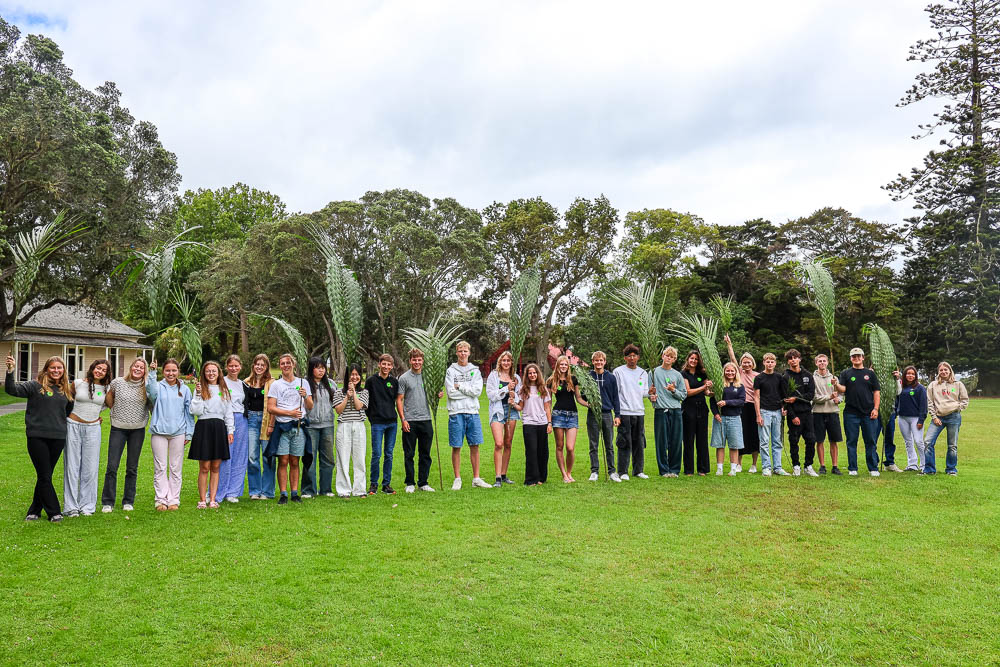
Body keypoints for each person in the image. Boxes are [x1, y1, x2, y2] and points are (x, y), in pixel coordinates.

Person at [5, 354, 71, 522]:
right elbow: (12, 390)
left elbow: (68, 412)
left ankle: (34, 510)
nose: (56, 370)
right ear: (46, 369)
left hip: (58, 438)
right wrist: (11, 371)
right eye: (53, 367)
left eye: (59, 368)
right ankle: (54, 512)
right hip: (37, 437)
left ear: (63, 370)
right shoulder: (34, 386)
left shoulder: (66, 390)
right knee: (44, 475)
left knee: (45, 475)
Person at [101, 357, 157, 513]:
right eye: (136, 366)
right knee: (112, 466)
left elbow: (152, 406)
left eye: (141, 367)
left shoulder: (147, 387)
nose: (138, 369)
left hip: (137, 430)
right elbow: (109, 396)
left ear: (145, 371)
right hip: (118, 428)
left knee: (132, 468)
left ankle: (128, 501)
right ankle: (108, 502)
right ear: (131, 367)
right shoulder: (118, 382)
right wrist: (114, 409)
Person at [64, 359, 111, 517]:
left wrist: (96, 415)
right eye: (98, 368)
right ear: (92, 368)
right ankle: (71, 507)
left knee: (90, 468)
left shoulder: (106, 388)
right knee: (72, 466)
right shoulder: (77, 383)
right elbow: (67, 401)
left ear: (106, 374)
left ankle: (87, 506)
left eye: (103, 370)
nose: (100, 371)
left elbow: (107, 404)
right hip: (73, 426)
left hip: (93, 429)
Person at [148, 358, 194, 511]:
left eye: (174, 370)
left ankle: (173, 499)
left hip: (178, 433)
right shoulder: (157, 386)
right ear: (163, 371)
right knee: (160, 467)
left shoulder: (185, 389)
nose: (171, 373)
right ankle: (161, 500)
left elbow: (189, 413)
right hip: (159, 432)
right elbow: (151, 393)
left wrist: (189, 433)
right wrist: (152, 372)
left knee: (175, 468)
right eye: (167, 370)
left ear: (178, 372)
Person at [267, 353, 313, 504]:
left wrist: (305, 396)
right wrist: (289, 413)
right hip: (283, 427)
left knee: (294, 461)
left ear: (293, 364)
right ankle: (283, 494)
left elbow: (310, 406)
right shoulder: (276, 385)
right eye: (283, 363)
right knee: (283, 460)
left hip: (298, 427)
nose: (286, 365)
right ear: (279, 366)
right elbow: (271, 408)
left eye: (288, 362)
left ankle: (294, 492)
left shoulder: (303, 382)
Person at [188, 360, 234, 508]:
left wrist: (230, 430)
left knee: (215, 466)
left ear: (218, 372)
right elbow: (195, 411)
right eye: (208, 371)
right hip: (204, 427)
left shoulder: (224, 390)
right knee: (205, 466)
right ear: (204, 373)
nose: (211, 373)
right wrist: (198, 395)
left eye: (214, 371)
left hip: (219, 428)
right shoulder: (200, 388)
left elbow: (228, 412)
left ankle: (213, 499)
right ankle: (202, 499)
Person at [445, 341, 490, 490]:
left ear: (469, 353)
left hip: (472, 412)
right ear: (456, 353)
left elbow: (477, 391)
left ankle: (476, 478)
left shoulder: (475, 371)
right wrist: (467, 391)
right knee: (456, 446)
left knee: (475, 445)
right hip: (456, 412)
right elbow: (451, 393)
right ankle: (457, 478)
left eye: (465, 351)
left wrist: (460, 386)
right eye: (460, 351)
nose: (463, 354)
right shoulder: (451, 371)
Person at [833, 347, 881, 477]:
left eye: (859, 356)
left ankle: (873, 468)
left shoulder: (870, 374)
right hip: (851, 413)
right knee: (851, 441)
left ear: (863, 357)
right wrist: (836, 385)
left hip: (869, 413)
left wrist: (876, 408)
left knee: (870, 441)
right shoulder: (846, 373)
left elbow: (876, 392)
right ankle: (852, 468)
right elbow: (843, 389)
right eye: (854, 356)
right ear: (851, 358)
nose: (856, 358)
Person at [397, 348, 438, 493]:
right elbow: (399, 399)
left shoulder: (428, 377)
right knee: (409, 454)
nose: (417, 362)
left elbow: (433, 395)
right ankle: (410, 483)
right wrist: (403, 419)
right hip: (410, 420)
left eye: (419, 360)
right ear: (410, 361)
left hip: (426, 419)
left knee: (425, 454)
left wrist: (438, 394)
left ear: (423, 361)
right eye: (414, 360)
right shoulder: (403, 378)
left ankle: (423, 482)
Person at [612, 343, 653, 481]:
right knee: (624, 442)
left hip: (639, 412)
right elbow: (616, 393)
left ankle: (638, 471)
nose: (632, 358)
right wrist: (617, 413)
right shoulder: (618, 372)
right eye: (629, 356)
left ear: (638, 357)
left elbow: (644, 392)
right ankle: (622, 471)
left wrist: (650, 393)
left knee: (639, 442)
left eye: (634, 356)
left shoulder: (643, 373)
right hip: (624, 412)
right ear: (625, 358)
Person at [547, 355, 589, 483]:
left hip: (572, 416)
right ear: (557, 366)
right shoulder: (551, 381)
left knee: (570, 448)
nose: (563, 366)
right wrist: (548, 420)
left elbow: (579, 398)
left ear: (568, 366)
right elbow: (548, 402)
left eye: (565, 364)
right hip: (558, 415)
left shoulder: (573, 379)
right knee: (559, 446)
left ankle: (569, 472)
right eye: (561, 364)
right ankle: (564, 474)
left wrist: (589, 405)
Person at [923, 361, 969, 476]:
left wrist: (957, 408)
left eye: (945, 369)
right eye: (941, 370)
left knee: (952, 445)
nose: (943, 372)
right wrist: (934, 417)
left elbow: (965, 400)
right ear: (938, 372)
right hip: (938, 417)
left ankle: (951, 469)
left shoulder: (958, 384)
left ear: (950, 371)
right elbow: (930, 402)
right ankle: (929, 469)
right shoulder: (933, 385)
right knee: (928, 442)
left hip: (954, 417)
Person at [216, 355, 249, 503]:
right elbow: (218, 397)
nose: (233, 368)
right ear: (226, 367)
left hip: (241, 420)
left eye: (236, 366)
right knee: (225, 455)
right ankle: (219, 490)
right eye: (231, 366)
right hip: (225, 419)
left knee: (239, 456)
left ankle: (233, 492)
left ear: (240, 367)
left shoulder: (243, 384)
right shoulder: (221, 382)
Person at [512, 363, 552, 486]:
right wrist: (513, 404)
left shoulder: (543, 389)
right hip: (529, 423)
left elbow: (547, 407)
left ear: (537, 374)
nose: (532, 375)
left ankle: (541, 477)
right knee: (531, 451)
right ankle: (531, 479)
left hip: (542, 423)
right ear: (527, 375)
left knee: (542, 451)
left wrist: (549, 423)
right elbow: (521, 407)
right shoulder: (523, 389)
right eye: (530, 373)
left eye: (534, 372)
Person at [366, 353, 400, 495]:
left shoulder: (394, 382)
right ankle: (373, 484)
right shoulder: (371, 381)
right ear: (379, 364)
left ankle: (386, 484)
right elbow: (366, 401)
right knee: (376, 454)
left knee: (389, 454)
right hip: (377, 423)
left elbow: (397, 400)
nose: (386, 367)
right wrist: (372, 418)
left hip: (392, 423)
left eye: (389, 364)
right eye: (384, 364)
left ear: (391, 366)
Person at [725, 335, 760, 473]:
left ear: (752, 363)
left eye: (748, 362)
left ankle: (754, 464)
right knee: (741, 434)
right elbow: (732, 359)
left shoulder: (757, 376)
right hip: (741, 406)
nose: (746, 364)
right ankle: (738, 464)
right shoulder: (739, 373)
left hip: (754, 407)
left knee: (754, 435)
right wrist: (729, 344)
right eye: (744, 362)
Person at [302, 357, 336, 498]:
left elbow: (337, 402)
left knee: (328, 459)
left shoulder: (331, 384)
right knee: (310, 458)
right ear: (311, 369)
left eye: (323, 368)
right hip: (311, 425)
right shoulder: (305, 384)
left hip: (328, 425)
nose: (321, 370)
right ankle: (308, 490)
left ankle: (326, 489)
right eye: (318, 367)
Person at [485, 350, 520, 487]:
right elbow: (491, 395)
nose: (506, 363)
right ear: (500, 362)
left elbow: (520, 396)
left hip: (511, 411)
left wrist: (514, 397)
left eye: (508, 360)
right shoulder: (494, 375)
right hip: (497, 411)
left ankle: (504, 475)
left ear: (511, 362)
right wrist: (506, 389)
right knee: (499, 443)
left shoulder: (515, 377)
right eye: (504, 360)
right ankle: (497, 477)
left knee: (508, 443)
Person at [650, 346, 686, 478]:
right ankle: (664, 470)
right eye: (667, 355)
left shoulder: (677, 375)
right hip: (660, 411)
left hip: (675, 410)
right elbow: (649, 391)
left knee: (676, 441)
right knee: (661, 442)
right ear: (662, 356)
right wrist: (651, 396)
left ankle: (674, 470)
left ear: (674, 359)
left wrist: (673, 390)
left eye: (672, 357)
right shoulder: (653, 372)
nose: (669, 358)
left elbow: (683, 395)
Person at [334, 364, 369, 497]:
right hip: (344, 425)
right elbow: (338, 410)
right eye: (352, 375)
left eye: (357, 374)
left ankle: (360, 490)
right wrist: (346, 397)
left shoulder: (364, 392)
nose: (354, 377)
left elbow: (359, 406)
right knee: (343, 458)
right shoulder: (339, 392)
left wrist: (353, 393)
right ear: (347, 376)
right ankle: (344, 490)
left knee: (359, 459)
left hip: (359, 425)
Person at [586, 350, 621, 482]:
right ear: (593, 362)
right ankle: (594, 471)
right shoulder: (588, 377)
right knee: (593, 444)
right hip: (593, 414)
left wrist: (617, 415)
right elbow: (583, 394)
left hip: (607, 414)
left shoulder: (611, 377)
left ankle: (612, 471)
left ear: (605, 362)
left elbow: (615, 397)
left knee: (609, 444)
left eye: (601, 360)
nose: (598, 362)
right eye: (596, 360)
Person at [245, 354, 276, 499]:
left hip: (266, 421)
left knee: (268, 457)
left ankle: (267, 491)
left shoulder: (272, 383)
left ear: (267, 367)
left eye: (262, 365)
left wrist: (271, 424)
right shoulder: (246, 382)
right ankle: (255, 491)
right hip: (251, 421)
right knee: (252, 457)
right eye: (257, 364)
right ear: (253, 365)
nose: (259, 367)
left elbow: (276, 404)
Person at [783, 349, 817, 477]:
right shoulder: (785, 377)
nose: (793, 360)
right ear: (788, 361)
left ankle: (808, 466)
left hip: (807, 413)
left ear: (799, 359)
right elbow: (786, 399)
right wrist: (792, 416)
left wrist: (796, 398)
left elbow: (810, 395)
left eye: (795, 358)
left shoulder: (808, 375)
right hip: (794, 414)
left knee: (811, 440)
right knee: (794, 441)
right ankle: (796, 466)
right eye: (790, 359)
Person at [753, 352, 788, 476]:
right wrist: (758, 415)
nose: (770, 364)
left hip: (777, 411)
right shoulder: (759, 378)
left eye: (772, 362)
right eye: (767, 361)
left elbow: (782, 395)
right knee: (764, 441)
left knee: (777, 441)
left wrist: (783, 408)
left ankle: (777, 467)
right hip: (764, 411)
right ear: (764, 363)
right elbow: (756, 397)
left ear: (775, 363)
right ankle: (766, 467)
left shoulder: (779, 377)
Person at [709, 362, 745, 475]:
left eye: (732, 371)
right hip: (720, 418)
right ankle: (719, 468)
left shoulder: (739, 386)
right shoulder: (719, 385)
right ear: (724, 372)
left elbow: (741, 401)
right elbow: (712, 400)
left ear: (736, 372)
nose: (730, 373)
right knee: (720, 444)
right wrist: (716, 414)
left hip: (734, 418)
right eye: (727, 370)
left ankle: (733, 469)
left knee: (734, 445)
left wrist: (726, 402)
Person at [680, 350, 713, 476]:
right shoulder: (683, 374)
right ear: (688, 359)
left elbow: (706, 392)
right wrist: (704, 387)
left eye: (696, 359)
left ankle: (702, 469)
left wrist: (711, 389)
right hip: (688, 409)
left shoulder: (702, 374)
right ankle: (688, 469)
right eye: (692, 358)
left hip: (702, 409)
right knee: (688, 439)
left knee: (702, 440)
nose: (694, 361)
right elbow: (687, 392)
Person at [812, 353, 843, 475]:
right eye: (819, 361)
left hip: (832, 412)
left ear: (827, 363)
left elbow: (840, 394)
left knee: (833, 441)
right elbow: (814, 397)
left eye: (824, 361)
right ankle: (822, 466)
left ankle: (835, 466)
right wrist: (829, 397)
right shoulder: (813, 378)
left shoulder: (833, 378)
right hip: (818, 413)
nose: (822, 363)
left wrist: (838, 399)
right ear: (816, 363)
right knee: (819, 440)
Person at [896, 365, 927, 471]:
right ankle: (912, 464)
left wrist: (921, 420)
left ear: (916, 376)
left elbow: (923, 405)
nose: (910, 376)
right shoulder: (901, 387)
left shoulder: (920, 388)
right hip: (902, 417)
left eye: (913, 374)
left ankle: (924, 464)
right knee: (908, 441)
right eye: (908, 373)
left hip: (916, 418)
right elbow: (897, 399)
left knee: (918, 441)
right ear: (904, 375)